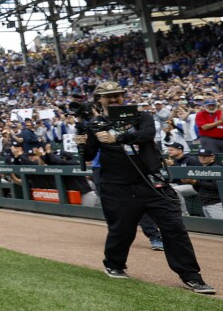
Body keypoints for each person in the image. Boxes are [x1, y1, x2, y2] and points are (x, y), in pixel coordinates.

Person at [77, 80, 215, 294]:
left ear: (123, 96)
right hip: (117, 186)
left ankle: (192, 276)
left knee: (174, 227)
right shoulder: (95, 124)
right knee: (121, 230)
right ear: (99, 100)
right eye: (108, 96)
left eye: (118, 95)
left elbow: (146, 135)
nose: (114, 99)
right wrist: (82, 142)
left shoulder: (143, 116)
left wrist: (118, 137)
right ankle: (114, 264)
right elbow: (87, 155)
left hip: (151, 182)